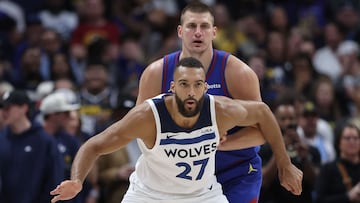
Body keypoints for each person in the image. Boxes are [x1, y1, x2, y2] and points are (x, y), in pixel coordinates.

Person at [50, 57, 302, 203]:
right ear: (172, 87)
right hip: (150, 195)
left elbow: (264, 113)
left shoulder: (221, 110)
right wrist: (76, 180)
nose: (191, 92)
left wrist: (284, 164)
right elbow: (94, 145)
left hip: (202, 195)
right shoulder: (147, 117)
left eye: (197, 85)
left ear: (206, 88)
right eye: (184, 84)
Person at [136, 1, 302, 202]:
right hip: (178, 179)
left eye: (204, 26)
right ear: (180, 31)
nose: (198, 32)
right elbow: (139, 130)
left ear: (214, 32)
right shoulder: (156, 74)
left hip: (235, 173)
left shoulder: (238, 73)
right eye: (191, 26)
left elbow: (262, 129)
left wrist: (219, 144)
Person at [0, 90, 64, 203]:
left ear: (23, 108)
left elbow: (54, 180)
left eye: (7, 107)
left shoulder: (44, 141)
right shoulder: (2, 138)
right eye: (2, 108)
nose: (3, 112)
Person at [315, 122, 360, 203]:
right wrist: (348, 196)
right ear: (339, 142)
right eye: (347, 138)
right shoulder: (328, 169)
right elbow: (319, 200)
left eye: (356, 138)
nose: (352, 141)